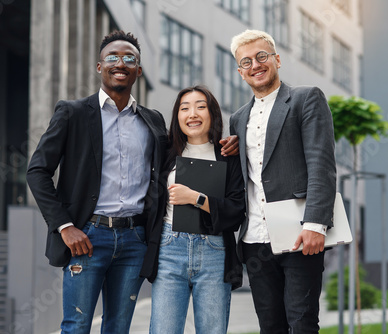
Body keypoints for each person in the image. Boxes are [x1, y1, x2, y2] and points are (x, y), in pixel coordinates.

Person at [26, 30, 167, 334]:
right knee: (76, 326)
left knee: (118, 328)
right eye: (112, 57)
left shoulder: (152, 120)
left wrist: (225, 145)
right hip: (87, 238)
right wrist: (65, 226)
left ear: (138, 70)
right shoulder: (73, 112)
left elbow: (174, 164)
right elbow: (37, 171)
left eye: (129, 58)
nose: (121, 62)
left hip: (134, 240)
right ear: (100, 67)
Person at [229, 30, 337, 333]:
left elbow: (322, 164)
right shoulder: (238, 119)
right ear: (240, 72)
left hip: (299, 235)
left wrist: (315, 224)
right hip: (254, 241)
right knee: (270, 326)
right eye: (246, 61)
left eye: (262, 56)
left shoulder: (306, 98)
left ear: (276, 59)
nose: (255, 65)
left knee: (301, 323)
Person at [140, 85, 246, 334]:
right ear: (177, 116)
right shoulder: (165, 152)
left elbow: (236, 210)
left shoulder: (227, 155)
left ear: (213, 114)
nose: (192, 114)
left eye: (201, 107)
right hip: (169, 248)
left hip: (214, 251)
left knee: (212, 330)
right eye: (184, 108)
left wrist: (195, 198)